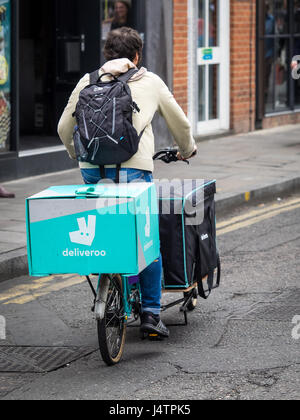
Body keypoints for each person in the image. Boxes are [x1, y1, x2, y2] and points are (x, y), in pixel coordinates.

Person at [58, 27, 197, 338]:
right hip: (133, 170)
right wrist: (187, 150)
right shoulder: (149, 82)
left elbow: (63, 128)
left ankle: (113, 290)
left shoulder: (87, 81)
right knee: (147, 242)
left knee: (105, 229)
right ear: (137, 55)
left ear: (107, 54)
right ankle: (150, 313)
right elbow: (181, 125)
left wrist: (78, 155)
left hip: (93, 171)